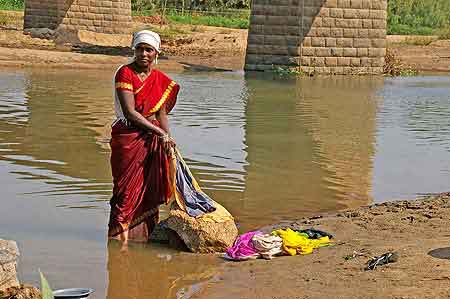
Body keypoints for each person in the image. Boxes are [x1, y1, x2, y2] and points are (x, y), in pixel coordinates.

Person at [108, 30, 180, 247]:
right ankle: (118, 242)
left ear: (156, 53)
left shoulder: (160, 80)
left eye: (148, 50)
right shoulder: (125, 73)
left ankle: (142, 239)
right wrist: (160, 133)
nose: (143, 54)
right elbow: (130, 112)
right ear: (134, 50)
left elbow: (161, 114)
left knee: (149, 190)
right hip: (128, 137)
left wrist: (168, 138)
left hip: (153, 141)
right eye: (139, 49)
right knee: (124, 192)